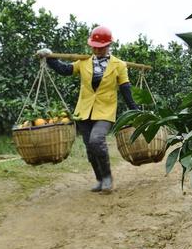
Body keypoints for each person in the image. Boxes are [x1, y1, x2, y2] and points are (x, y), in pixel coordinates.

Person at [36, 26, 138, 194]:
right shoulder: (83, 61)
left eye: (101, 46)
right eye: (94, 46)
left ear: (108, 46)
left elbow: (125, 88)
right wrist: (50, 58)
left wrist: (135, 111)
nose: (97, 49)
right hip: (84, 111)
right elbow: (65, 70)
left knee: (96, 140)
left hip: (105, 111)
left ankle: (107, 178)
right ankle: (99, 179)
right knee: (90, 149)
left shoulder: (119, 65)